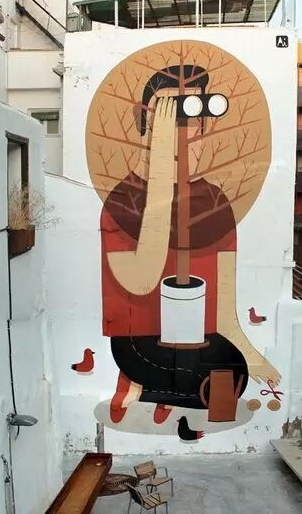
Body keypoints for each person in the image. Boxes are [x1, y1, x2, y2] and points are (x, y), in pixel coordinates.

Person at [99, 66, 280, 427]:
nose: (181, 131)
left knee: (233, 374)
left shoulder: (215, 203)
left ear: (205, 126)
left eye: (192, 117)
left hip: (201, 340)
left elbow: (225, 312)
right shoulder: (121, 202)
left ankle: (157, 395)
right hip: (141, 342)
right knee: (194, 381)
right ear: (145, 123)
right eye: (166, 115)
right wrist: (161, 174)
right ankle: (141, 385)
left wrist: (251, 355)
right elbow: (142, 280)